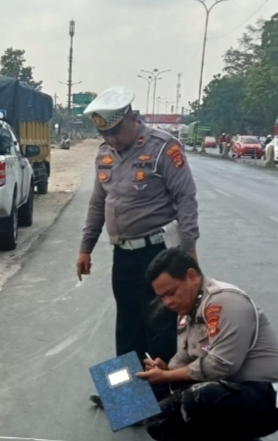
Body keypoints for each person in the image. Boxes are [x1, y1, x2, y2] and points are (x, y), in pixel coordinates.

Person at [137, 249, 278, 441]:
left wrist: (168, 377)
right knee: (157, 421)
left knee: (200, 396)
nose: (168, 302)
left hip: (266, 400)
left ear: (192, 276)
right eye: (162, 297)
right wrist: (165, 369)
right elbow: (185, 359)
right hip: (230, 394)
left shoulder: (224, 302)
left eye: (171, 292)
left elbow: (220, 366)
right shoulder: (188, 313)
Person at [78, 86, 199, 404]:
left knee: (159, 328)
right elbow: (97, 203)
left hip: (158, 253)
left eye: (116, 131)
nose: (112, 140)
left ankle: (162, 396)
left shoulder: (163, 148)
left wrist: (189, 251)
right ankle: (125, 397)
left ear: (133, 118)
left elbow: (185, 199)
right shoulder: (104, 153)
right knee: (127, 327)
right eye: (105, 133)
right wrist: (85, 247)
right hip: (124, 255)